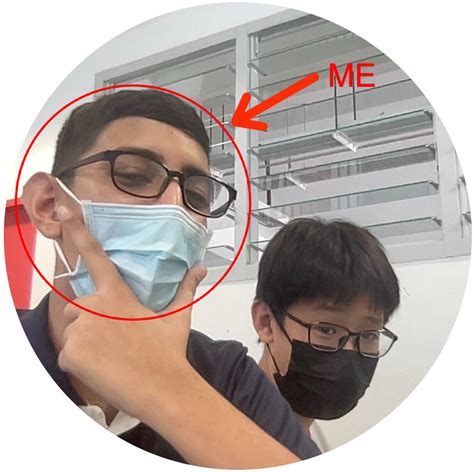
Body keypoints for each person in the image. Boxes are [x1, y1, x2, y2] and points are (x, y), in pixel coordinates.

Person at [18, 89, 321, 468]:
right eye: (133, 176)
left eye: (197, 195)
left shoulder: (230, 376)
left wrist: (166, 387)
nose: (175, 208)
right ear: (49, 206)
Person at [251, 218, 400, 446]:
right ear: (266, 322)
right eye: (327, 329)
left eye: (369, 335)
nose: (349, 351)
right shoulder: (212, 434)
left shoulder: (315, 440)